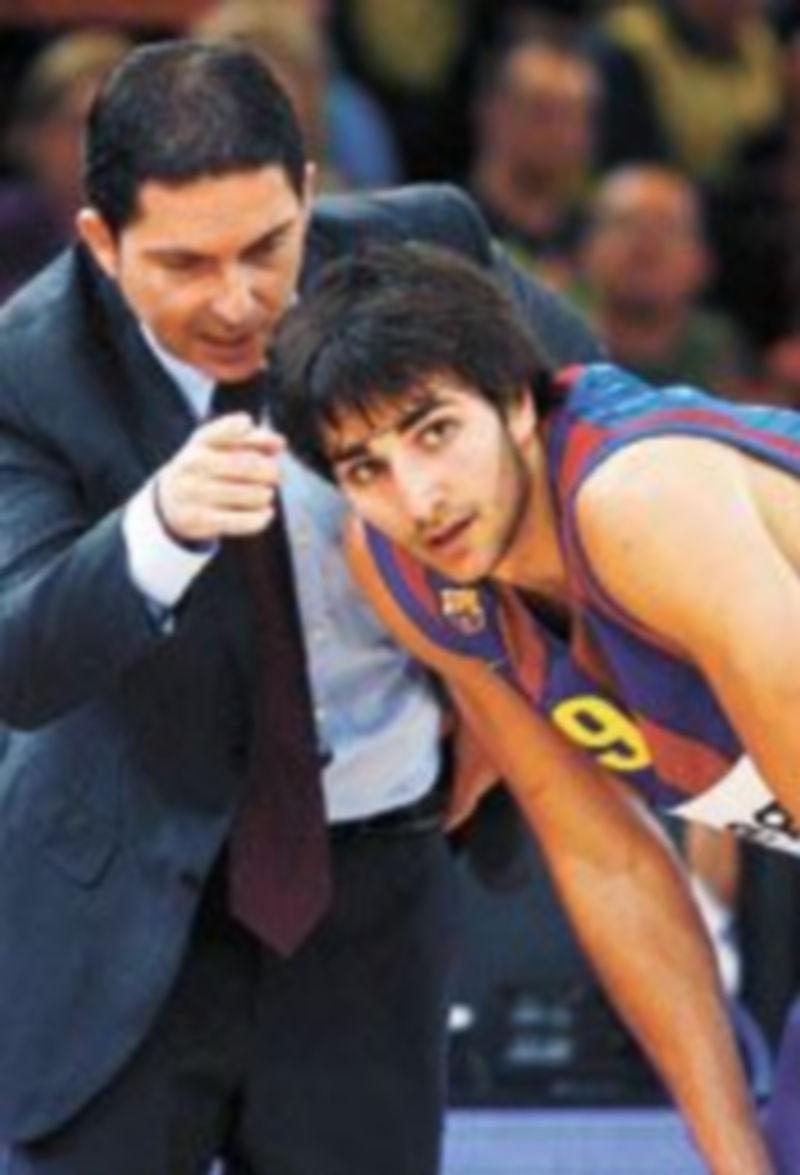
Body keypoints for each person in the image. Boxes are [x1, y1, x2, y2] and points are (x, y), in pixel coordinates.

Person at [0, 35, 616, 1175]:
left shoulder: (423, 245)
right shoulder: (26, 370)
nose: (236, 300)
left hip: (373, 891)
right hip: (126, 904)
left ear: (309, 195)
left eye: (266, 246)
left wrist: (508, 692)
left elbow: (597, 440)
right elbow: (18, 657)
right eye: (183, 263)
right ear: (101, 240)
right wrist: (157, 528)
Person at [272, 241, 800, 1174]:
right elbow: (610, 861)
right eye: (366, 467)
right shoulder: (403, 566)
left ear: (517, 401)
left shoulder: (639, 500)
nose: (417, 497)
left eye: (434, 430)